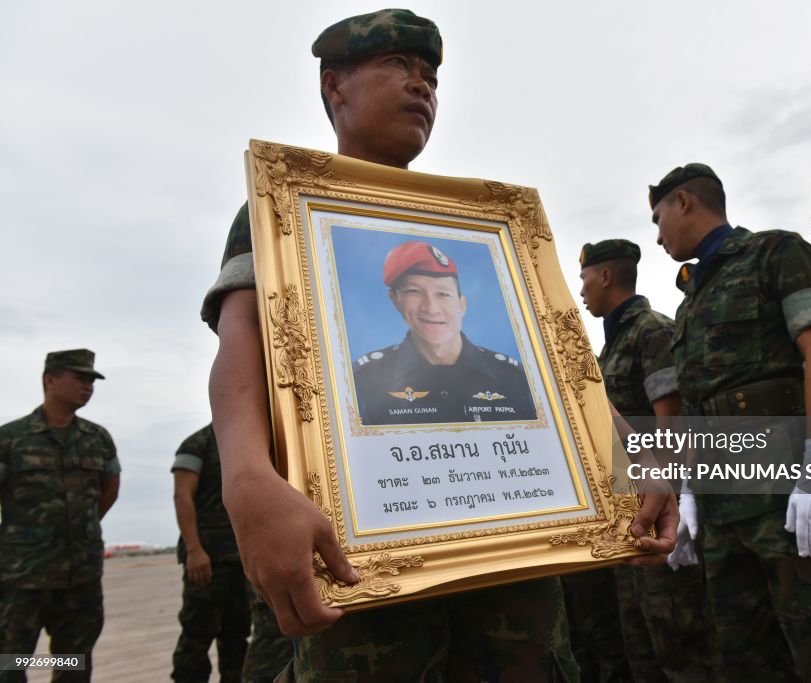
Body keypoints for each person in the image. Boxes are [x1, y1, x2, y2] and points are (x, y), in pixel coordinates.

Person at [201, 9, 677, 681]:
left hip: (515, 578)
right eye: (398, 66)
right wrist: (247, 479)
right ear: (334, 86)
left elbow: (555, 372)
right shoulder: (282, 208)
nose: (421, 85)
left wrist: (630, 451)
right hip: (367, 581)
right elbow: (241, 347)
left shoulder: (482, 226)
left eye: (430, 75)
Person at [650, 164, 811, 681]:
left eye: (658, 217)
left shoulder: (776, 253)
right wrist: (688, 490)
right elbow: (694, 408)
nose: (658, 234)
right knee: (746, 659)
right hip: (722, 510)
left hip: (786, 498)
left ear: (684, 202)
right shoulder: (689, 304)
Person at [572, 238, 719, 682]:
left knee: (678, 640)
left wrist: (679, 495)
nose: (580, 290)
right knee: (637, 645)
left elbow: (672, 418)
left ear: (605, 276)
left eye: (583, 278)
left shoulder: (650, 330)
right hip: (629, 511)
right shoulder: (608, 344)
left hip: (659, 509)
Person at [0, 349, 120, 683]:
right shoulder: (11, 439)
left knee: (72, 664)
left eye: (91, 381)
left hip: (79, 578)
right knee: (11, 662)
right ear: (50, 379)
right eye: (80, 378)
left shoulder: (98, 439)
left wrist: (81, 528)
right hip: (21, 579)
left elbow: (109, 489)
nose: (88, 387)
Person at [353, 240, 537, 425]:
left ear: (462, 305)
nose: (431, 308)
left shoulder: (516, 378)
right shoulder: (362, 381)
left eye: (443, 294)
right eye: (414, 291)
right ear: (395, 300)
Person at [171, 423, 251, 683]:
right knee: (197, 634)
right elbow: (182, 497)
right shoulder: (197, 443)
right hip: (208, 560)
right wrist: (194, 550)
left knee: (236, 635)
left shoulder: (246, 442)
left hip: (242, 560)